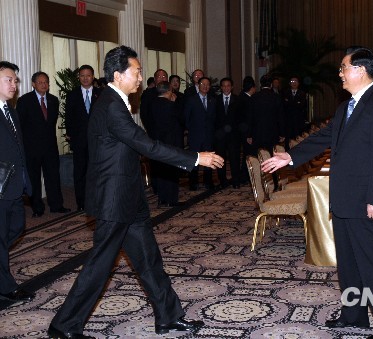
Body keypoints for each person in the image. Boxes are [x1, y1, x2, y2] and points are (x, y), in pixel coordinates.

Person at [47, 46, 224, 338]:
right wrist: (195, 158)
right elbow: (146, 145)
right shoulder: (111, 106)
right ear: (118, 75)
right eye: (137, 72)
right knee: (99, 266)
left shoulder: (115, 101)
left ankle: (168, 316)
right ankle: (63, 325)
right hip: (114, 200)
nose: (141, 78)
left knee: (148, 259)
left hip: (129, 197)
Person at [262, 46, 373, 339]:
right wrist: (289, 157)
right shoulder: (345, 107)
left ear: (360, 70)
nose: (339, 73)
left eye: (343, 68)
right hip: (342, 199)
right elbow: (323, 138)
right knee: (350, 263)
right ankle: (354, 315)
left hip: (366, 202)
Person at [0, 61, 34, 303]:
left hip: (13, 184)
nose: (14, 84)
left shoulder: (10, 109)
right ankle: (6, 287)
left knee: (16, 228)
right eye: (9, 80)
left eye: (15, 80)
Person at [16, 71, 70, 218]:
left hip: (50, 148)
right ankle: (37, 208)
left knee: (53, 177)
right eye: (40, 82)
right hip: (31, 148)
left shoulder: (53, 100)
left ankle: (56, 205)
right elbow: (19, 126)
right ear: (33, 84)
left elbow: (50, 124)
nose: (44, 84)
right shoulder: (24, 101)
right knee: (34, 179)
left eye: (46, 82)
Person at [65, 65, 102, 211]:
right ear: (78, 77)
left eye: (88, 75)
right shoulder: (72, 95)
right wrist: (71, 135)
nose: (85, 78)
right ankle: (81, 203)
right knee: (79, 173)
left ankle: (98, 201)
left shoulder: (102, 93)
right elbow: (69, 118)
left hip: (98, 141)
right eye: (82, 75)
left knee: (97, 172)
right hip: (79, 141)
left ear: (93, 77)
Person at [149, 81, 184, 206]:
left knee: (161, 170)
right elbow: (181, 119)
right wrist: (174, 103)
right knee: (172, 172)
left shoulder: (152, 104)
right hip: (171, 143)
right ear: (169, 91)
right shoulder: (170, 105)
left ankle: (162, 198)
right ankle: (171, 200)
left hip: (157, 142)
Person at [248, 74, 285, 191]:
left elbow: (250, 118)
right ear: (270, 84)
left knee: (258, 158)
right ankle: (273, 182)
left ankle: (259, 184)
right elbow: (281, 117)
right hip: (272, 133)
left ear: (260, 84)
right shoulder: (276, 97)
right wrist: (282, 133)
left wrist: (249, 134)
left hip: (257, 133)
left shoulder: (254, 97)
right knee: (271, 158)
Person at [184, 76, 216, 191]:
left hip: (208, 136)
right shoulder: (191, 100)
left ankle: (208, 182)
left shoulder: (213, 100)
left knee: (209, 159)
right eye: (203, 84)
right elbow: (186, 118)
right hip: (195, 136)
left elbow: (214, 119)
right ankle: (193, 183)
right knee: (194, 160)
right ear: (199, 86)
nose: (205, 87)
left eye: (207, 85)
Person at [214, 77, 241, 188]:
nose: (226, 88)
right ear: (221, 87)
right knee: (220, 159)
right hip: (220, 136)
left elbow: (241, 118)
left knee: (234, 159)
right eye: (224, 86)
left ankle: (236, 181)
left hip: (233, 136)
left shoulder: (237, 99)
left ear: (232, 87)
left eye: (228, 85)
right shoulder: (215, 100)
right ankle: (223, 181)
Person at [140, 68, 168, 136]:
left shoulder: (174, 94)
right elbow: (144, 113)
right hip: (155, 132)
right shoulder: (148, 94)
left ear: (167, 79)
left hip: (172, 133)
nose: (161, 79)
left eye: (164, 76)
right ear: (155, 80)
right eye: (159, 77)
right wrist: (150, 129)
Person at [282, 75, 308, 149]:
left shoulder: (302, 93)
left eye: (295, 81)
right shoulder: (285, 93)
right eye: (292, 81)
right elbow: (284, 106)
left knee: (298, 141)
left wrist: (290, 102)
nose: (294, 83)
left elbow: (302, 105)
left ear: (298, 83)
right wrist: (296, 103)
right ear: (289, 83)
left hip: (298, 121)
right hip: (288, 121)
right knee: (288, 142)